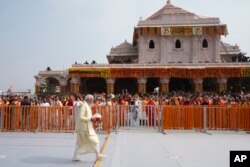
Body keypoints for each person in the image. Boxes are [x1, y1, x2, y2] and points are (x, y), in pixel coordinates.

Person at [72, 94, 106, 161]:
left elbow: (87, 117)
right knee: (95, 140)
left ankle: (75, 156)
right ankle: (98, 155)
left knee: (80, 143)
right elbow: (81, 117)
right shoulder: (84, 106)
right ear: (88, 99)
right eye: (92, 99)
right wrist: (91, 119)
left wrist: (94, 118)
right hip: (84, 128)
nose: (92, 101)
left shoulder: (87, 105)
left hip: (86, 127)